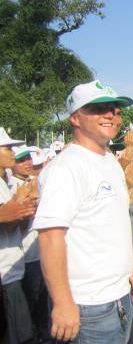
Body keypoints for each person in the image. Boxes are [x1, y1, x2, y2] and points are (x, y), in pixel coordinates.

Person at [34, 80, 133, 343]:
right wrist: (62, 303)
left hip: (120, 296)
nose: (111, 115)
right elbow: (50, 237)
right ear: (75, 117)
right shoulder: (66, 168)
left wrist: (131, 266)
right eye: (98, 108)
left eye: (115, 110)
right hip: (87, 307)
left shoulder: (110, 162)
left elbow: (113, 222)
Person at [9, 145, 50, 343]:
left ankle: (42, 334)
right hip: (18, 259)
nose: (28, 163)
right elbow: (17, 225)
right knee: (25, 308)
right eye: (21, 159)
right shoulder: (9, 185)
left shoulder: (36, 183)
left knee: (41, 301)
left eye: (30, 159)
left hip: (39, 253)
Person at [0, 128, 37, 344]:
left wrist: (25, 207)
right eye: (8, 148)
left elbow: (17, 224)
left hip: (13, 267)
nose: (13, 153)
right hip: (5, 273)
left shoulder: (5, 183)